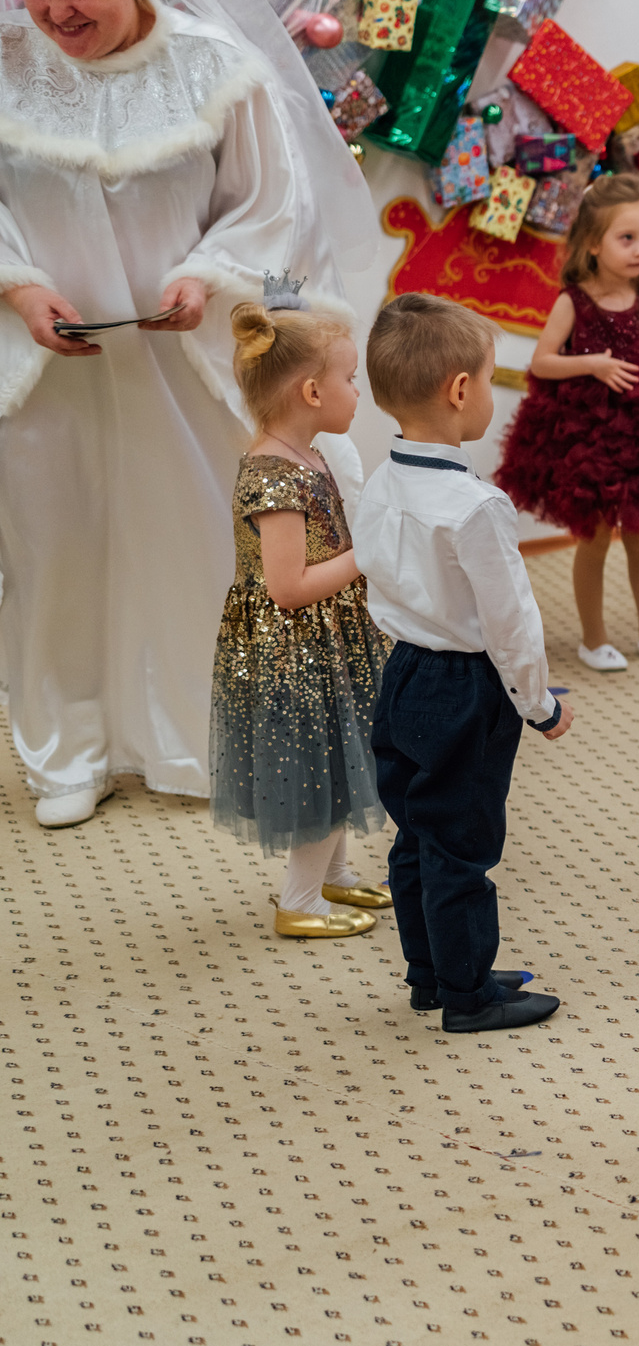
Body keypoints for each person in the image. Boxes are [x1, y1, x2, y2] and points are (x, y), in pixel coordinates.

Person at [0, 0, 374, 830]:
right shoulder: (5, 64)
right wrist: (21, 284)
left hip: (190, 357)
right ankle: (67, 748)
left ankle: (209, 733)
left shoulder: (215, 67)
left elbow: (274, 206)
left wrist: (207, 274)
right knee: (57, 550)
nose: (53, 11)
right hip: (50, 368)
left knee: (203, 540)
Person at [354, 295, 573, 1034]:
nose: (488, 391)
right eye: (487, 378)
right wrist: (539, 704)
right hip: (464, 688)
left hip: (404, 675)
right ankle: (470, 995)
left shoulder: (380, 481)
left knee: (417, 831)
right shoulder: (476, 506)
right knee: (463, 842)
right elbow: (511, 624)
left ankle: (433, 974)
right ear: (459, 390)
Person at [209, 284, 393, 939]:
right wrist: (367, 553)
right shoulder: (273, 475)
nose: (358, 391)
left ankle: (333, 877)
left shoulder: (304, 456)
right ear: (311, 393)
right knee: (321, 766)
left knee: (341, 760)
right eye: (349, 378)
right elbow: (286, 587)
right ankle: (299, 899)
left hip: (325, 637)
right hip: (293, 646)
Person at [494, 172, 639, 672]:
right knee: (592, 540)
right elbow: (543, 363)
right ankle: (593, 640)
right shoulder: (574, 300)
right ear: (593, 244)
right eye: (627, 238)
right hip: (588, 438)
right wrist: (591, 363)